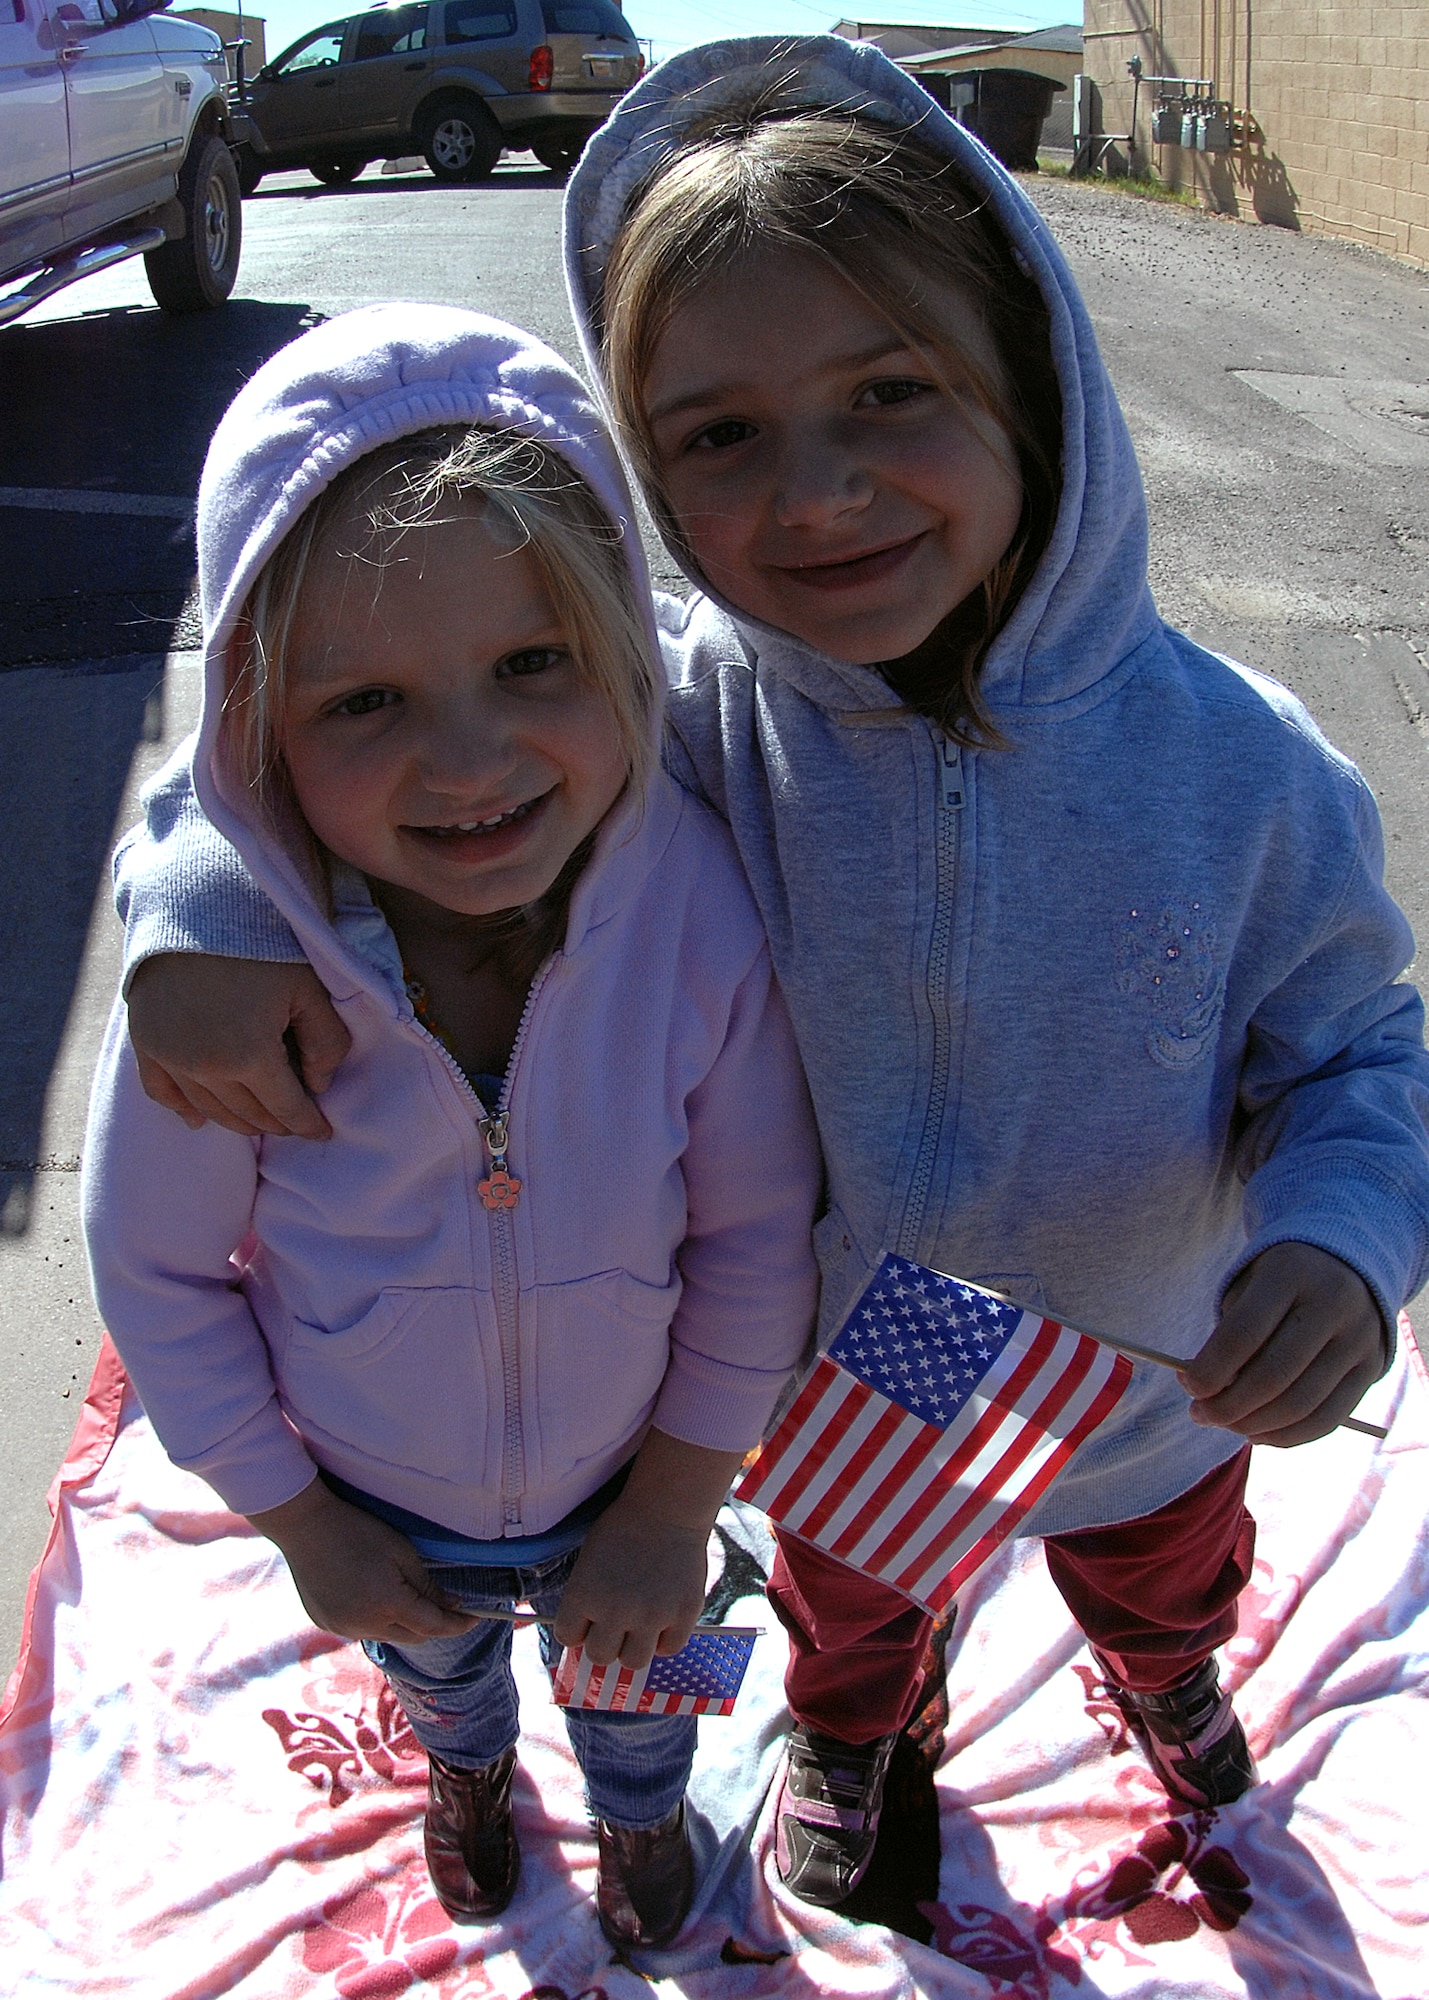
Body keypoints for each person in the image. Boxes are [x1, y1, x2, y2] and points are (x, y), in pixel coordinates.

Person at [107, 40, 1429, 1913]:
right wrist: (201, 913)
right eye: (718, 436)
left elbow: (1361, 1050)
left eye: (891, 393)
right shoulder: (675, 723)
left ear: (1033, 385)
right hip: (841, 1378)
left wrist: (1345, 1238)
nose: (815, 495)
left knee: (1162, 1573)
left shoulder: (1244, 767)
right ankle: (854, 1739)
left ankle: (1166, 1681)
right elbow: (328, 728)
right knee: (852, 1610)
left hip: (1158, 1366)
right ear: (646, 471)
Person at [80, 303, 822, 1950]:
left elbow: (757, 1236)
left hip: (647, 1476)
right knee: (439, 1674)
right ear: (257, 730)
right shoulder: (235, 981)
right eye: (364, 705)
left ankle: (642, 1816)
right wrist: (298, 1525)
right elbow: (152, 1269)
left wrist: (675, 1506)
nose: (468, 758)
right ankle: (469, 1774)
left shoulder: (695, 911)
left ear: (624, 640)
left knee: (660, 1688)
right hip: (372, 1504)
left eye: (531, 663)